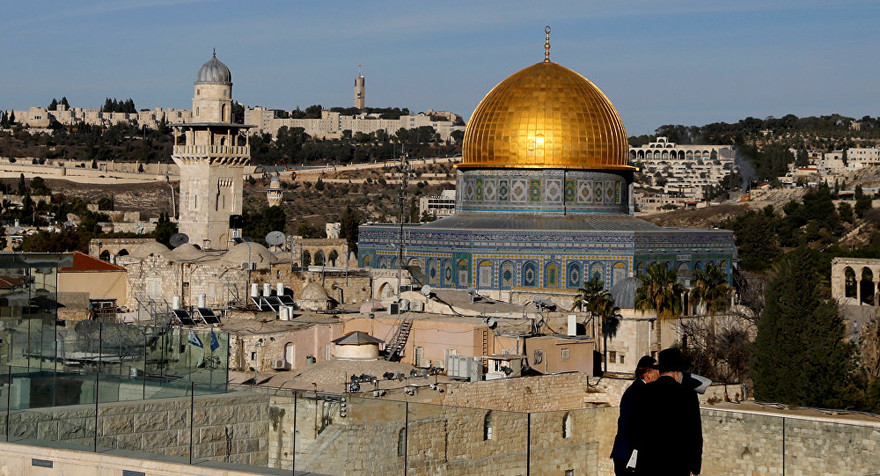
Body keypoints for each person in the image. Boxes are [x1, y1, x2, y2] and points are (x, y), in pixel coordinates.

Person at [630, 348, 702, 476]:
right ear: (676, 373)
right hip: (677, 465)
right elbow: (694, 434)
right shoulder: (688, 395)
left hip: (647, 464)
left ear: (660, 371)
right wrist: (695, 468)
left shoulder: (643, 392)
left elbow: (634, 430)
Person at [610, 355, 659, 475]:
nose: (659, 373)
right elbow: (634, 426)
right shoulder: (641, 392)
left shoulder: (636, 390)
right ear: (648, 373)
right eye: (657, 370)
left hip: (626, 453)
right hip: (629, 455)